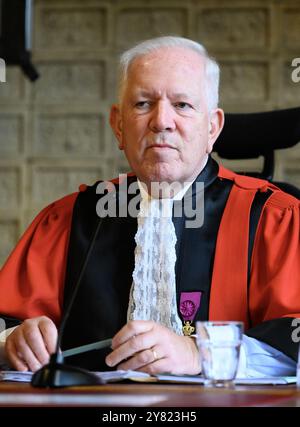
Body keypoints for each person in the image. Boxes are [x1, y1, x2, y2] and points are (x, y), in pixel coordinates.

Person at [0, 36, 299, 377]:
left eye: (183, 105)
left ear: (213, 127)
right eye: (143, 104)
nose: (162, 121)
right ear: (119, 125)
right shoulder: (70, 219)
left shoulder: (274, 219)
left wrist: (201, 354)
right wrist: (12, 341)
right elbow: (8, 320)